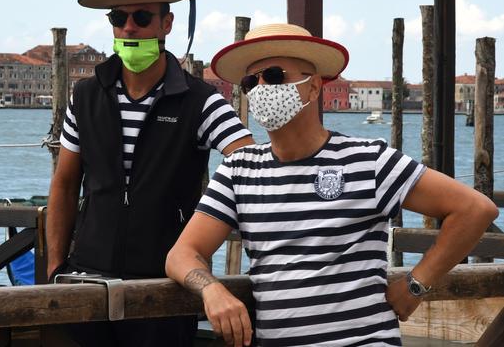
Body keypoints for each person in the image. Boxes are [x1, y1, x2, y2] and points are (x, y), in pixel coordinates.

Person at [166, 23, 499, 347]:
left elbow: (474, 209)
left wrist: (415, 283)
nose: (261, 88)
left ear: (314, 87)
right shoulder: (239, 169)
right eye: (251, 81)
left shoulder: (368, 160)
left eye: (275, 76)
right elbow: (182, 254)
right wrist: (211, 288)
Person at [45, 0, 254, 347]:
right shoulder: (86, 96)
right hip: (86, 281)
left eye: (141, 17)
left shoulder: (200, 100)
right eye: (118, 17)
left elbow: (250, 164)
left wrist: (213, 222)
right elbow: (64, 183)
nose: (129, 27)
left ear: (166, 23)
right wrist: (56, 265)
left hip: (165, 285)